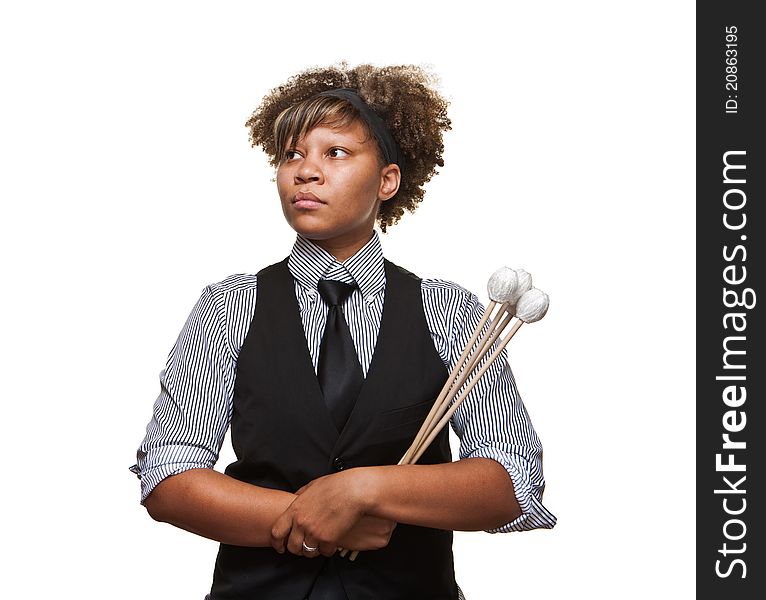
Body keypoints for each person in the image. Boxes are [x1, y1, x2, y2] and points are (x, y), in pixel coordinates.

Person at [131, 62, 556, 600]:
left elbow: (513, 484)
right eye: (292, 155)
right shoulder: (231, 303)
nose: (305, 171)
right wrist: (312, 520)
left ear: (388, 181)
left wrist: (364, 489)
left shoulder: (446, 310)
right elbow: (168, 477)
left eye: (335, 153)